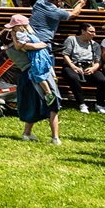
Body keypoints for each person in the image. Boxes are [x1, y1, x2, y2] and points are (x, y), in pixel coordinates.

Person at [7, 15, 62, 148]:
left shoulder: (9, 50)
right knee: (53, 104)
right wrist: (41, 45)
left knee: (33, 105)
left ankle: (27, 133)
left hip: (27, 77)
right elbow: (23, 47)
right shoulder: (24, 44)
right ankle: (55, 137)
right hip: (37, 74)